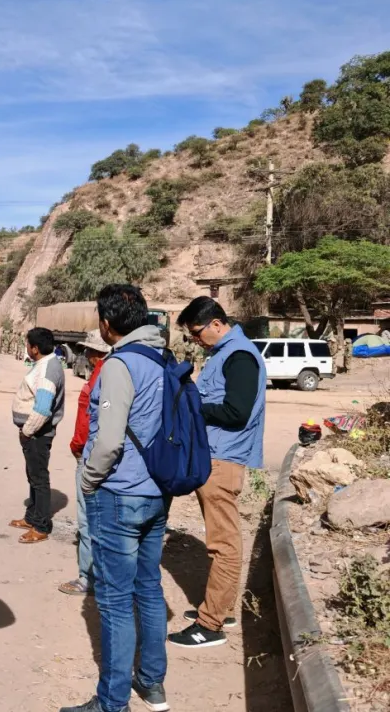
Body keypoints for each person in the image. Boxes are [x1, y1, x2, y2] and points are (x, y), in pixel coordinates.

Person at [61, 284, 171, 712]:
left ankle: (111, 702)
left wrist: (88, 481)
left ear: (106, 325)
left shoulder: (119, 365)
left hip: (119, 496)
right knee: (149, 587)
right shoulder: (165, 358)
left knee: (114, 601)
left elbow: (108, 442)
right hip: (157, 492)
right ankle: (152, 683)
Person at [169, 297, 266, 650]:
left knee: (223, 544)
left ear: (215, 324)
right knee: (220, 541)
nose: (196, 340)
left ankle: (210, 627)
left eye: (196, 334)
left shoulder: (239, 356)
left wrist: (193, 407)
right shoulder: (224, 354)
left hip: (223, 462)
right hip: (214, 457)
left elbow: (236, 412)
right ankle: (217, 608)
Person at [59, 330, 110, 597]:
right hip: (103, 454)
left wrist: (77, 448)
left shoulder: (99, 377)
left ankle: (87, 577)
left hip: (89, 454)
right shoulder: (112, 373)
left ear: (94, 353)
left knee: (87, 519)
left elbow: (87, 422)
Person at [9, 327, 65, 543]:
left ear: (35, 348)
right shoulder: (45, 364)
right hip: (33, 433)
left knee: (39, 479)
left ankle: (41, 526)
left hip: (37, 434)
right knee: (33, 476)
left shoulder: (48, 370)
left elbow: (42, 409)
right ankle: (31, 517)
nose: (26, 348)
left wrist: (27, 431)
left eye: (27, 344)